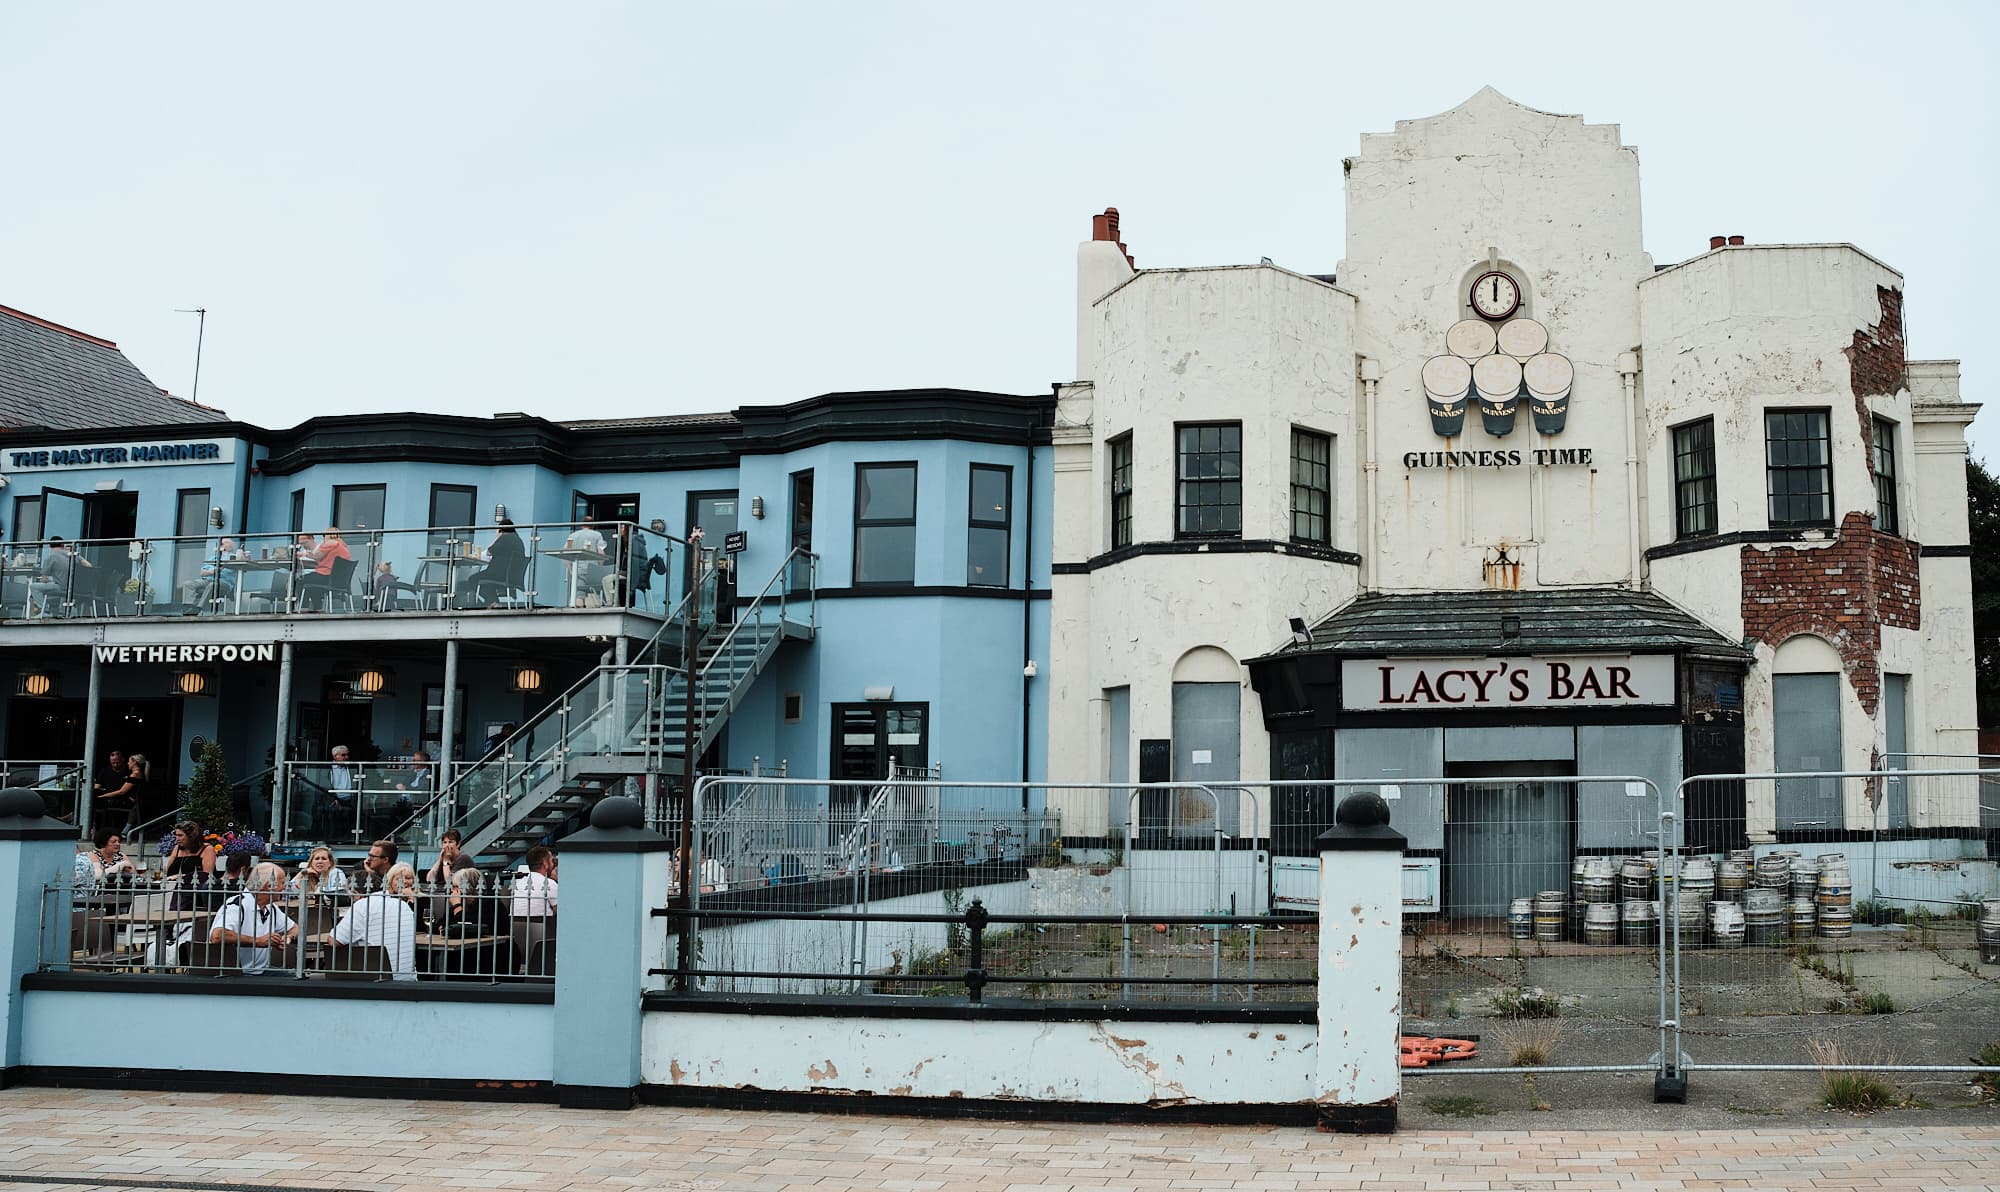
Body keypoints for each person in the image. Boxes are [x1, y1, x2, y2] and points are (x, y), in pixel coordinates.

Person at [328, 862, 418, 981]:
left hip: (375, 979)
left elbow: (334, 941)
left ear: (356, 894)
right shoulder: (404, 906)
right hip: (407, 979)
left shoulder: (363, 905)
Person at [207, 862, 297, 975]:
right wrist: (258, 941)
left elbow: (294, 927)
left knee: (299, 978)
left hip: (261, 970)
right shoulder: (237, 905)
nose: (285, 887)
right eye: (282, 883)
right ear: (269, 885)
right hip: (235, 974)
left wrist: (288, 937)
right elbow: (217, 936)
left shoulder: (271, 907)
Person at [455, 518, 526, 609]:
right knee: (485, 583)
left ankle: (489, 603)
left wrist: (497, 538)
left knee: (473, 579)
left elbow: (489, 552)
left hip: (499, 574)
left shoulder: (505, 537)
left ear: (500, 529)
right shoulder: (517, 540)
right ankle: (491, 603)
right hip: (511, 575)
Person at [510, 845, 558, 975]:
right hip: (544, 936)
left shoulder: (518, 883)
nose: (553, 863)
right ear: (544, 863)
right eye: (551, 860)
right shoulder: (548, 883)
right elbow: (560, 911)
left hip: (517, 936)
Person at [178, 536, 248, 613]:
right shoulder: (213, 557)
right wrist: (212, 572)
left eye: (226, 542)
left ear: (231, 546)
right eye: (222, 543)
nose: (222, 544)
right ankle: (188, 606)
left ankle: (198, 608)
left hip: (224, 583)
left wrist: (243, 555)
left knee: (212, 585)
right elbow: (202, 573)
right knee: (188, 584)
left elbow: (244, 565)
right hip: (208, 579)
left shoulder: (234, 557)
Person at [297, 527, 352, 610]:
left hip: (327, 576)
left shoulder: (331, 543)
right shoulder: (344, 546)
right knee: (313, 582)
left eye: (324, 535)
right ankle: (317, 608)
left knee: (300, 581)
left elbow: (317, 556)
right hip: (339, 580)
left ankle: (304, 608)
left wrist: (302, 554)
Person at [72, 827, 140, 894]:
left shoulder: (121, 855)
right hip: (100, 891)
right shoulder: (94, 855)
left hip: (121, 889)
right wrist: (120, 865)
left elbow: (133, 873)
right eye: (113, 842)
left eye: (118, 841)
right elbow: (97, 875)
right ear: (103, 843)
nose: (117, 844)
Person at [27, 537, 78, 617]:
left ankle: (45, 611)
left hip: (62, 587)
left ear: (50, 546)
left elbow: (44, 579)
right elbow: (88, 565)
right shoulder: (75, 556)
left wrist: (47, 580)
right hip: (75, 587)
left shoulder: (52, 557)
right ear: (62, 545)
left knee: (33, 587)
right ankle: (60, 612)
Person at [94, 753, 141, 835]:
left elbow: (122, 791)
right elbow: (97, 787)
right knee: (91, 800)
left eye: (118, 762)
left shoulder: (133, 773)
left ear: (134, 763)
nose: (115, 764)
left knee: (94, 802)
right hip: (111, 797)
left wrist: (102, 796)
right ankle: (93, 827)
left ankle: (94, 829)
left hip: (122, 799)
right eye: (113, 762)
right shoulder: (105, 770)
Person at [564, 520, 608, 606]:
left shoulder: (573, 535)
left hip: (578, 569)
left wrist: (570, 570)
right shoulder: (597, 535)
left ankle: (577, 613)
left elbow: (566, 553)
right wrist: (600, 566)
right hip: (593, 569)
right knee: (594, 592)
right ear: (593, 525)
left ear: (582, 525)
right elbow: (601, 552)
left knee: (579, 594)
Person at [326, 745, 359, 835]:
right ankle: (332, 838)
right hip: (334, 800)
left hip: (350, 799)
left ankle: (348, 839)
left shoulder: (352, 767)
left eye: (347, 755)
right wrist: (334, 799)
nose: (346, 757)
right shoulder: (326, 768)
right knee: (333, 815)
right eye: (343, 755)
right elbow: (324, 786)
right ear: (335, 756)